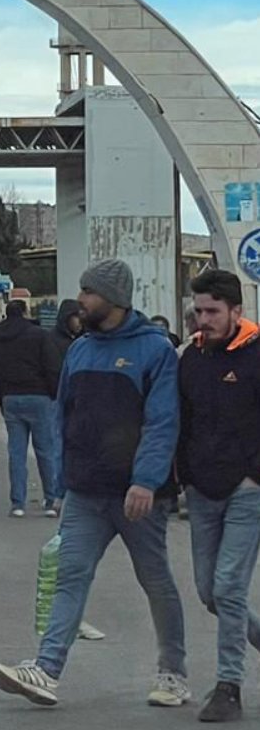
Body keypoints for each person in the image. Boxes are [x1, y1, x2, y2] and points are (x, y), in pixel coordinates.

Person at [0, 259, 188, 710]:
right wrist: (61, 477)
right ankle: (45, 669)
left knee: (156, 582)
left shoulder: (154, 349)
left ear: (114, 299)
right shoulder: (80, 350)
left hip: (137, 496)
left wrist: (146, 480)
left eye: (88, 291)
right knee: (69, 577)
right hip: (84, 491)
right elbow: (64, 415)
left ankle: (174, 674)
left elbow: (162, 423)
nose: (80, 299)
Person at [178, 269, 260, 722]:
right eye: (199, 310)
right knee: (210, 592)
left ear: (235, 311)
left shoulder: (256, 354)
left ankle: (229, 686)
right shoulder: (191, 357)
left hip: (248, 492)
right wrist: (180, 478)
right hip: (202, 491)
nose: (203, 320)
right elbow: (182, 422)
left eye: (212, 311)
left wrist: (255, 476)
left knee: (229, 586)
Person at [0, 297, 66, 518]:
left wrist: (0, 396)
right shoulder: (39, 335)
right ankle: (50, 501)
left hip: (11, 398)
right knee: (45, 451)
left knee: (16, 453)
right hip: (40, 398)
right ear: (25, 312)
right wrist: (53, 394)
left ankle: (18, 503)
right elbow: (52, 366)